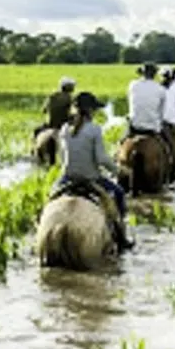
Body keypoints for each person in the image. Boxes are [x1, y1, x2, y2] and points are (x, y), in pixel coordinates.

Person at [56, 91, 130, 249]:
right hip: (91, 179)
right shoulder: (94, 129)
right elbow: (102, 159)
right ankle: (121, 237)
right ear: (90, 111)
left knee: (49, 199)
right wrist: (118, 171)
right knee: (119, 194)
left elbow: (62, 158)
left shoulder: (64, 129)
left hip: (67, 178)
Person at [126, 62, 165, 135]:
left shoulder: (132, 84)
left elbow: (130, 103)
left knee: (121, 142)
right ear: (155, 74)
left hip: (134, 126)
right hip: (152, 127)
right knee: (169, 144)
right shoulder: (161, 89)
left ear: (142, 73)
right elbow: (161, 112)